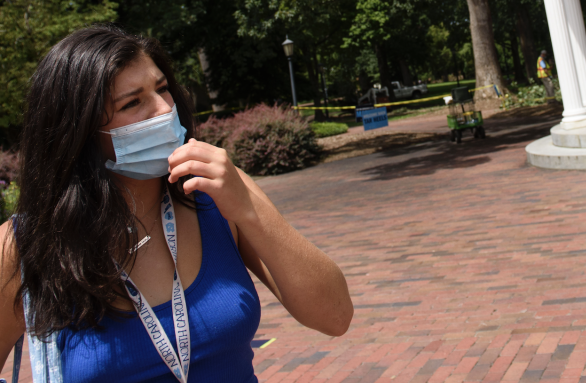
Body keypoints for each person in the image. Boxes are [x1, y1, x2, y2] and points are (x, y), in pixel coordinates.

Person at [0, 25, 353, 382]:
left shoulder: (218, 194)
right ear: (79, 133)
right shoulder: (23, 247)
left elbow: (335, 317)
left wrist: (247, 205)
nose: (164, 109)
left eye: (163, 88)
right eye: (133, 102)